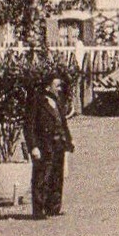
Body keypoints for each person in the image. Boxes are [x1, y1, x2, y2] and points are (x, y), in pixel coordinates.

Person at [24, 73, 75, 219]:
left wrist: (69, 140)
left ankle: (54, 207)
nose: (59, 89)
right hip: (44, 144)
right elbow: (29, 126)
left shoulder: (57, 101)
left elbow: (63, 123)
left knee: (57, 176)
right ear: (48, 86)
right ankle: (39, 210)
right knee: (41, 176)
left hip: (58, 143)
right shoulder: (37, 101)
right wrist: (33, 146)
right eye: (57, 85)